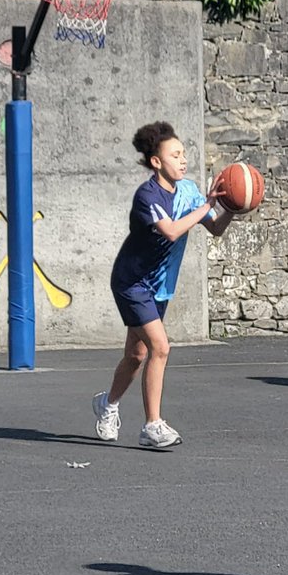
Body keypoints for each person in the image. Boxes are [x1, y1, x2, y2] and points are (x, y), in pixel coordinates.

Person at [92, 122, 233, 449]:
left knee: (136, 355)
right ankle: (152, 426)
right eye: (175, 155)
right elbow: (170, 230)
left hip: (159, 286)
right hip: (131, 282)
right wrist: (206, 207)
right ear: (156, 162)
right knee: (161, 347)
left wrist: (233, 208)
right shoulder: (148, 195)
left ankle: (107, 404)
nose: (183, 160)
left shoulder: (189, 191)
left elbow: (215, 229)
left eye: (184, 154)